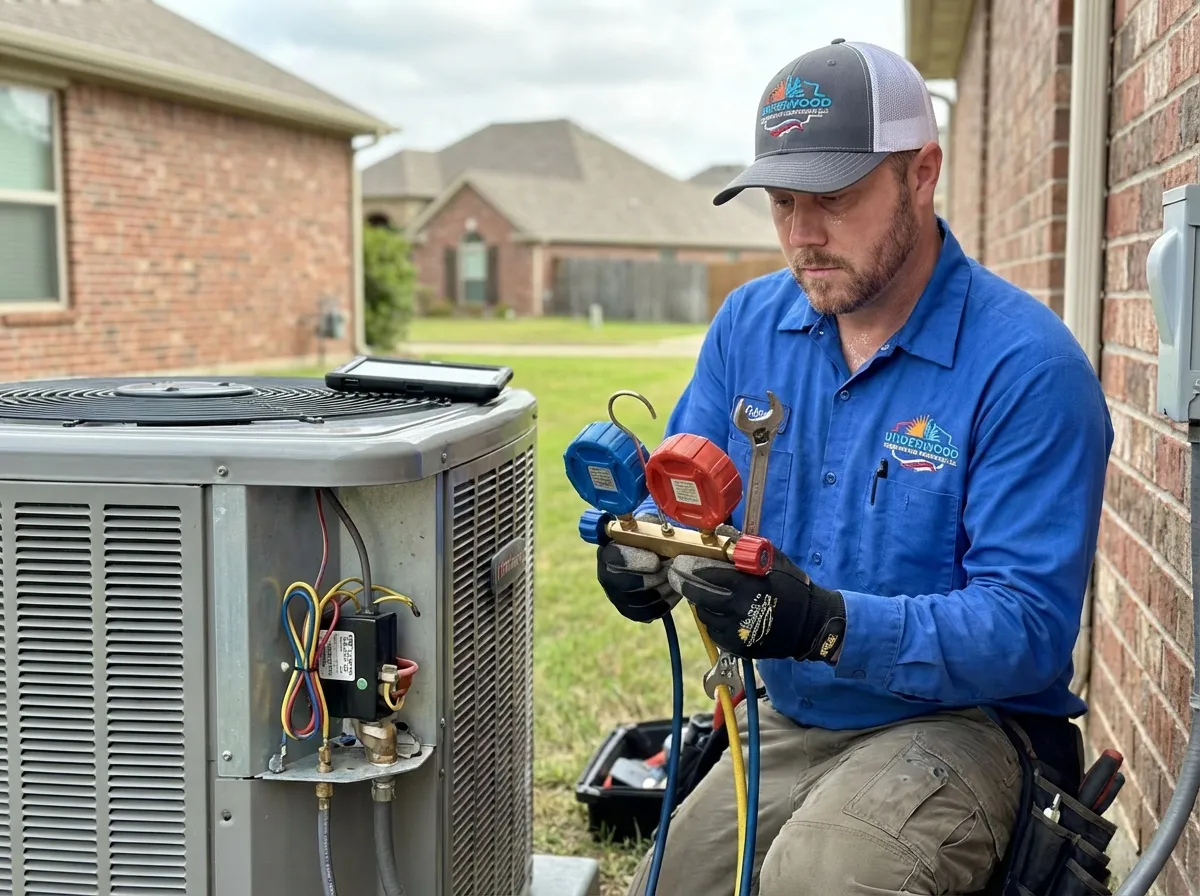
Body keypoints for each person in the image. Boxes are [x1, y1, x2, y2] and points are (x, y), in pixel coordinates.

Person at [596, 38, 1115, 896]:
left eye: (834, 197)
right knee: (676, 881)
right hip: (797, 715)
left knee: (822, 876)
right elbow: (691, 504)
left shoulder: (1027, 368)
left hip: (968, 727)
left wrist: (830, 624)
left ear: (921, 170)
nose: (803, 235)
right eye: (783, 201)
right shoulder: (749, 326)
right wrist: (645, 555)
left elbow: (1027, 628)